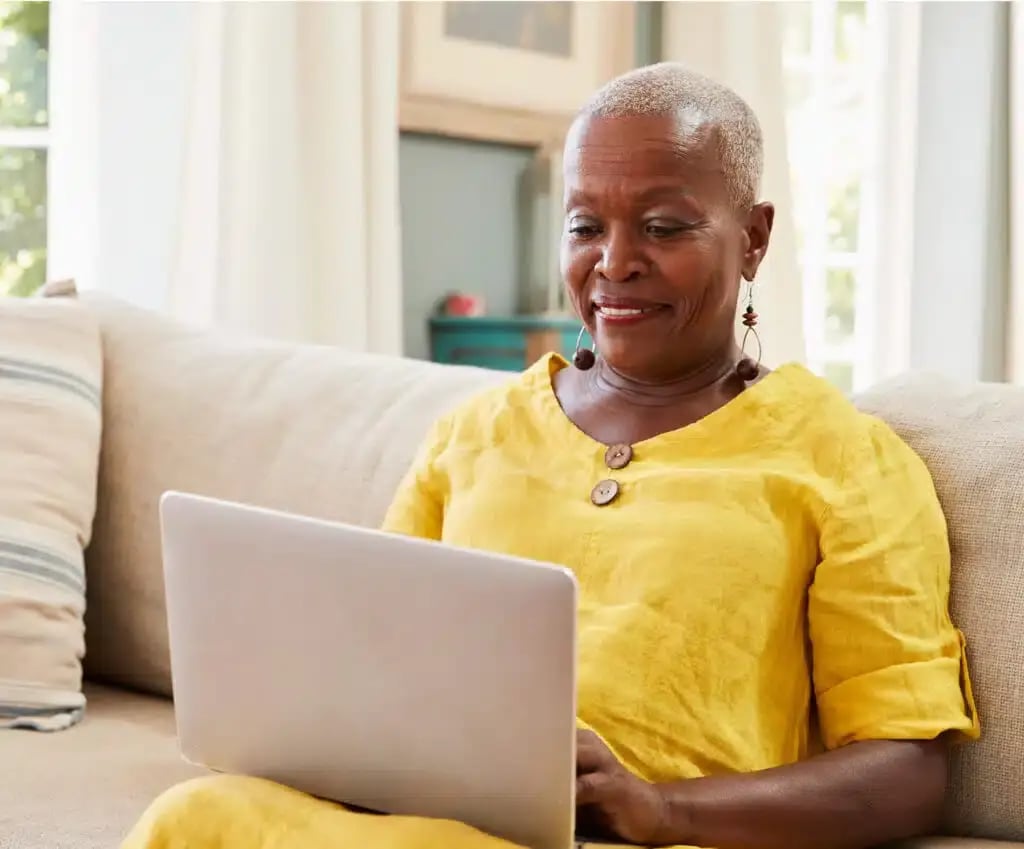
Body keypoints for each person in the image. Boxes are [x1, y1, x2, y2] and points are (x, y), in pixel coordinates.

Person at [123, 62, 978, 849]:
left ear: (752, 238)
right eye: (585, 226)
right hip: (436, 822)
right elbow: (369, 673)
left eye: (662, 226)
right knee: (195, 814)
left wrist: (661, 806)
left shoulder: (848, 460)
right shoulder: (474, 433)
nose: (614, 263)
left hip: (660, 837)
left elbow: (908, 770)